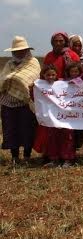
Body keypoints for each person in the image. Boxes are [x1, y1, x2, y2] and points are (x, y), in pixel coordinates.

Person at [1, 36, 40, 165]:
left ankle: (27, 156)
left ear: (27, 50)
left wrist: (13, 79)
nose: (19, 52)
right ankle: (15, 156)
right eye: (16, 51)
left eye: (22, 50)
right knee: (11, 129)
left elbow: (31, 78)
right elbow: (3, 80)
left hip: (25, 102)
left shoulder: (33, 62)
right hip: (8, 102)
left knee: (27, 129)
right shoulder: (9, 64)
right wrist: (12, 79)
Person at [38, 64, 74, 168]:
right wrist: (32, 87)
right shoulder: (40, 86)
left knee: (67, 137)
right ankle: (54, 159)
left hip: (65, 117)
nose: (50, 77)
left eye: (53, 74)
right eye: (48, 75)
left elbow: (79, 82)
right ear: (43, 75)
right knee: (52, 138)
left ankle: (67, 159)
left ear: (57, 74)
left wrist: (74, 82)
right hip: (51, 118)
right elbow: (35, 97)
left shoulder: (63, 83)